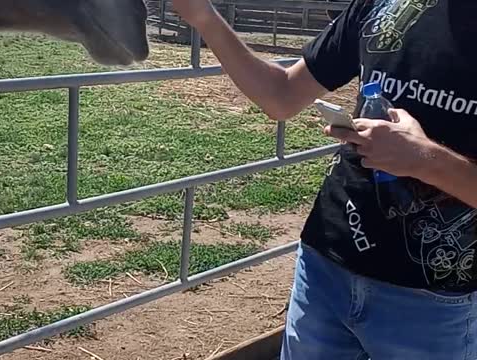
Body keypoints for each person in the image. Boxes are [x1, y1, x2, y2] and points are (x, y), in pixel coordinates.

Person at [172, 0, 477, 359]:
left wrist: (426, 160)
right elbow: (281, 95)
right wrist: (203, 17)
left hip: (432, 299)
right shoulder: (385, 5)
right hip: (324, 265)